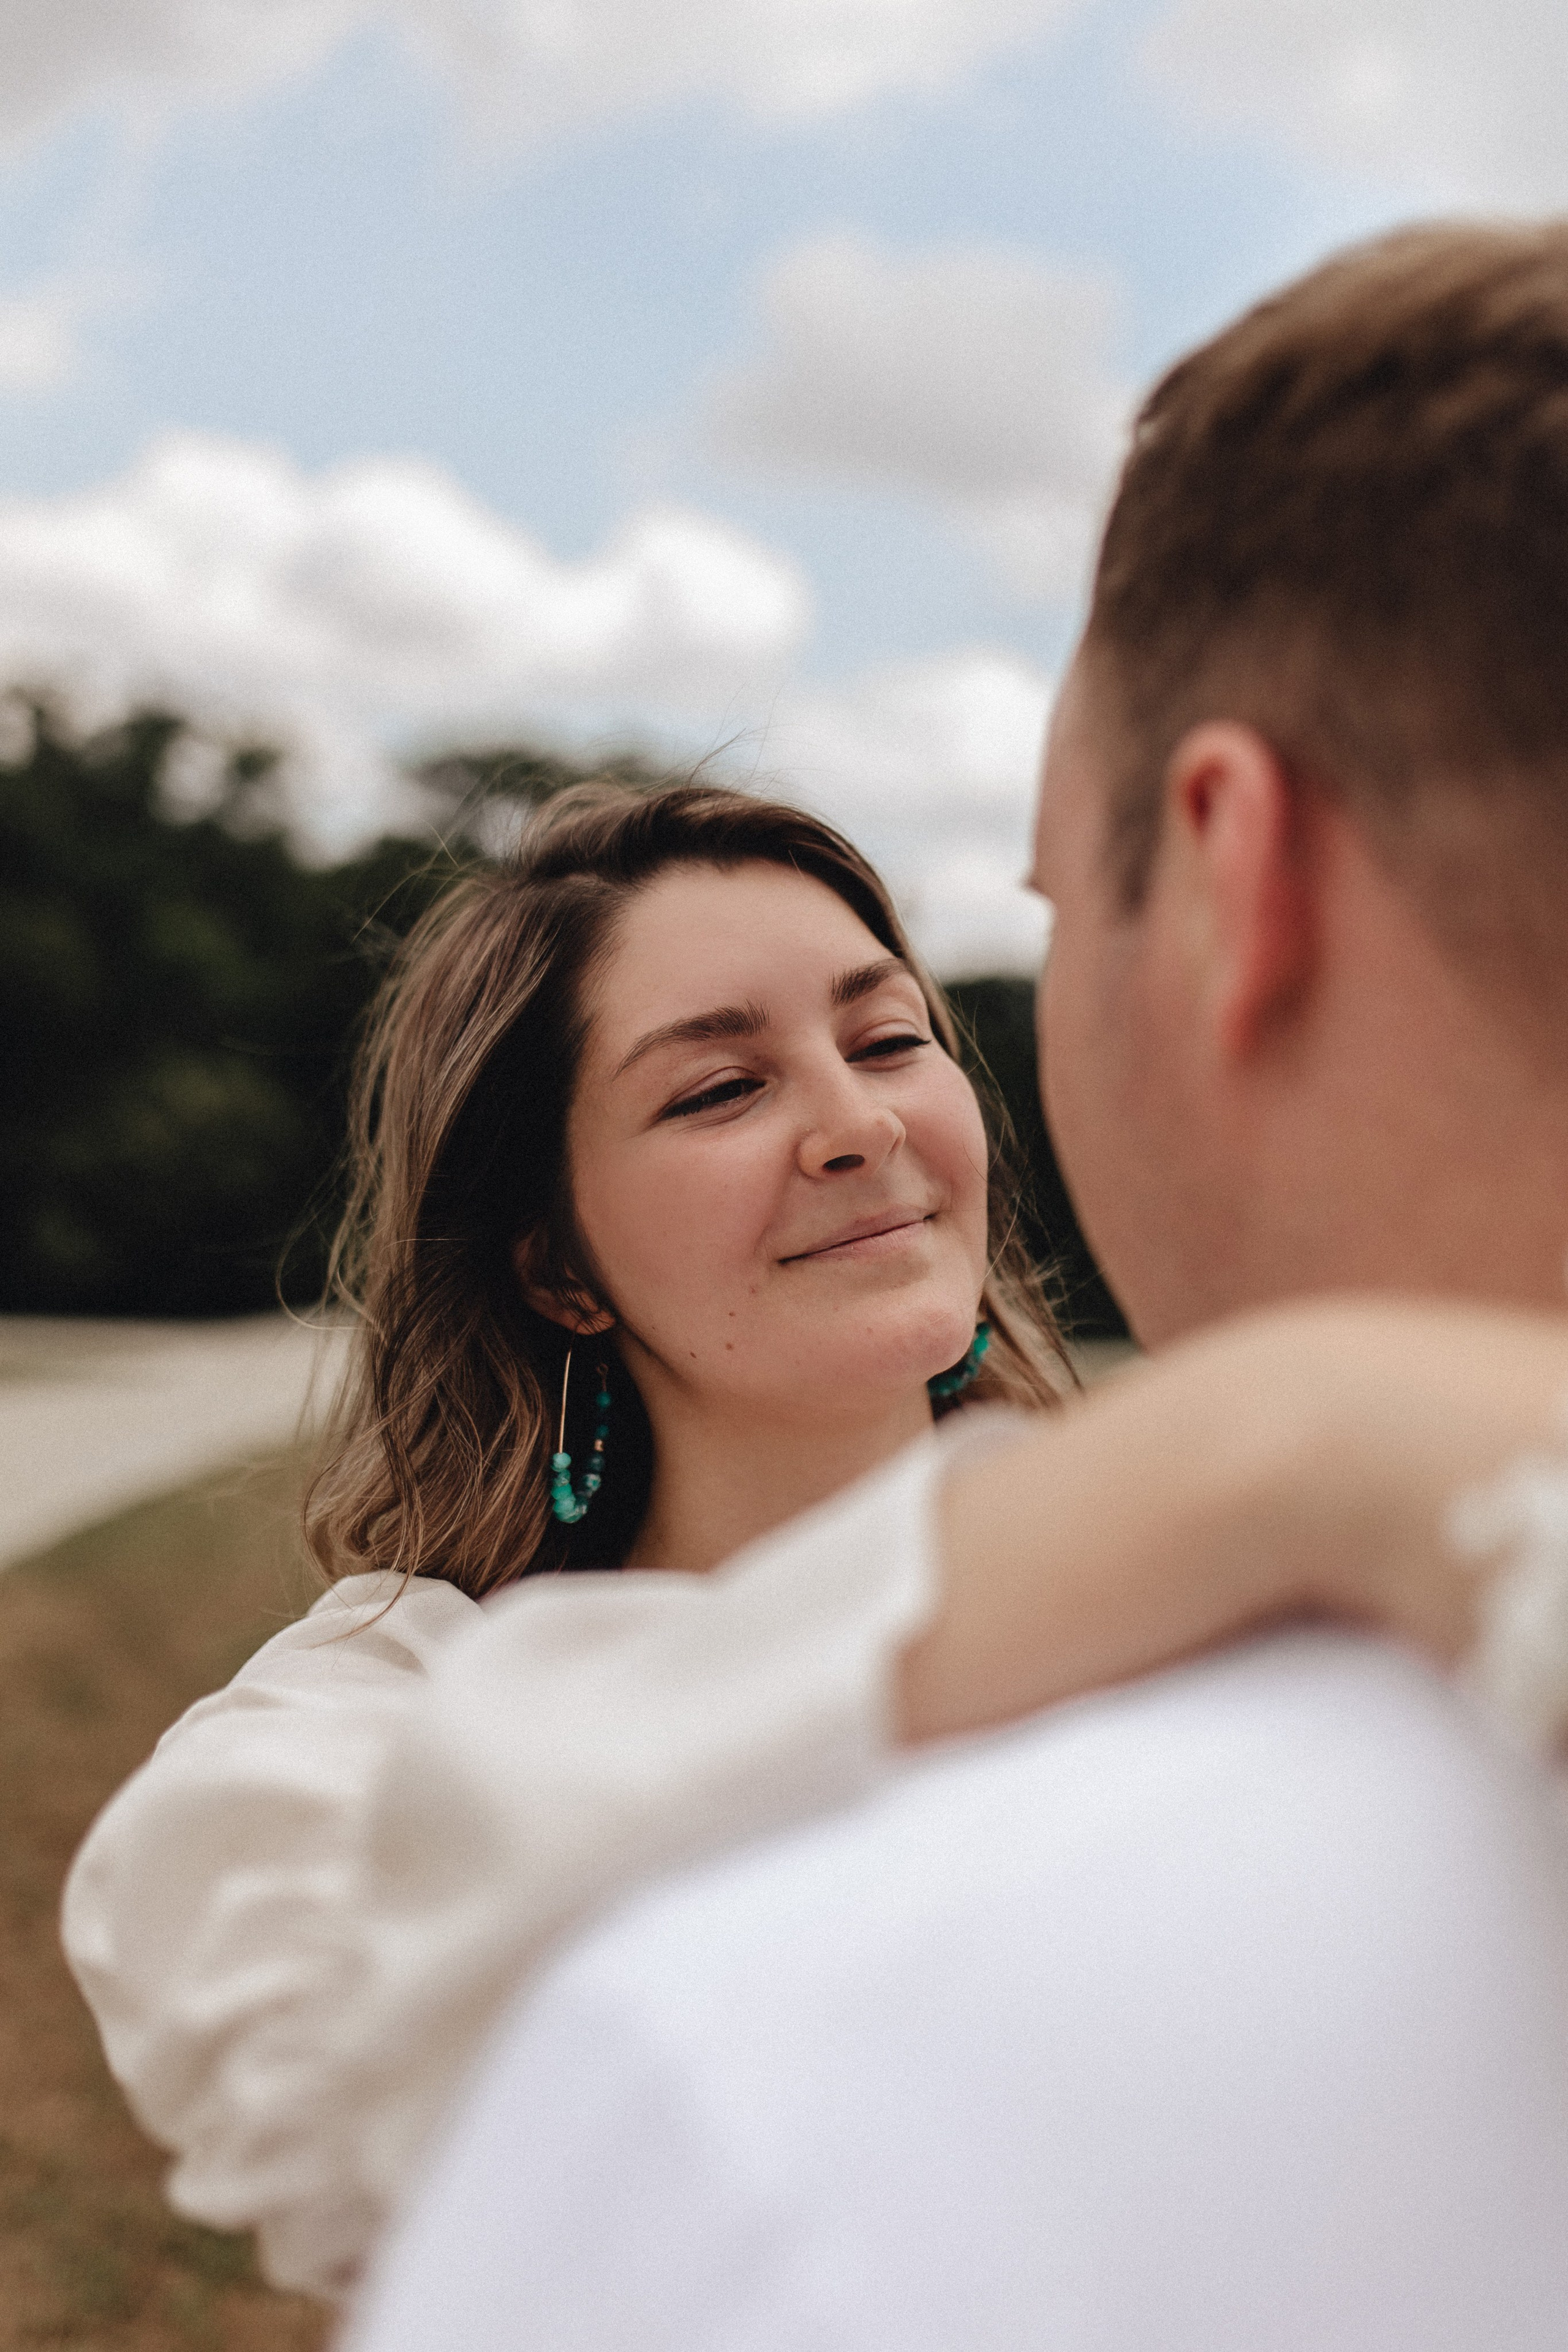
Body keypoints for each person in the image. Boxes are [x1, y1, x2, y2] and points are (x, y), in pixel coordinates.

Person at [60, 317, 1568, 2297]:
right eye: (718, 1085)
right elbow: (325, 2025)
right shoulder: (373, 1722)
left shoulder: (1256, 1565)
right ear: (551, 1262)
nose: (855, 1127)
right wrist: (1262, 1448)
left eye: (893, 1037)